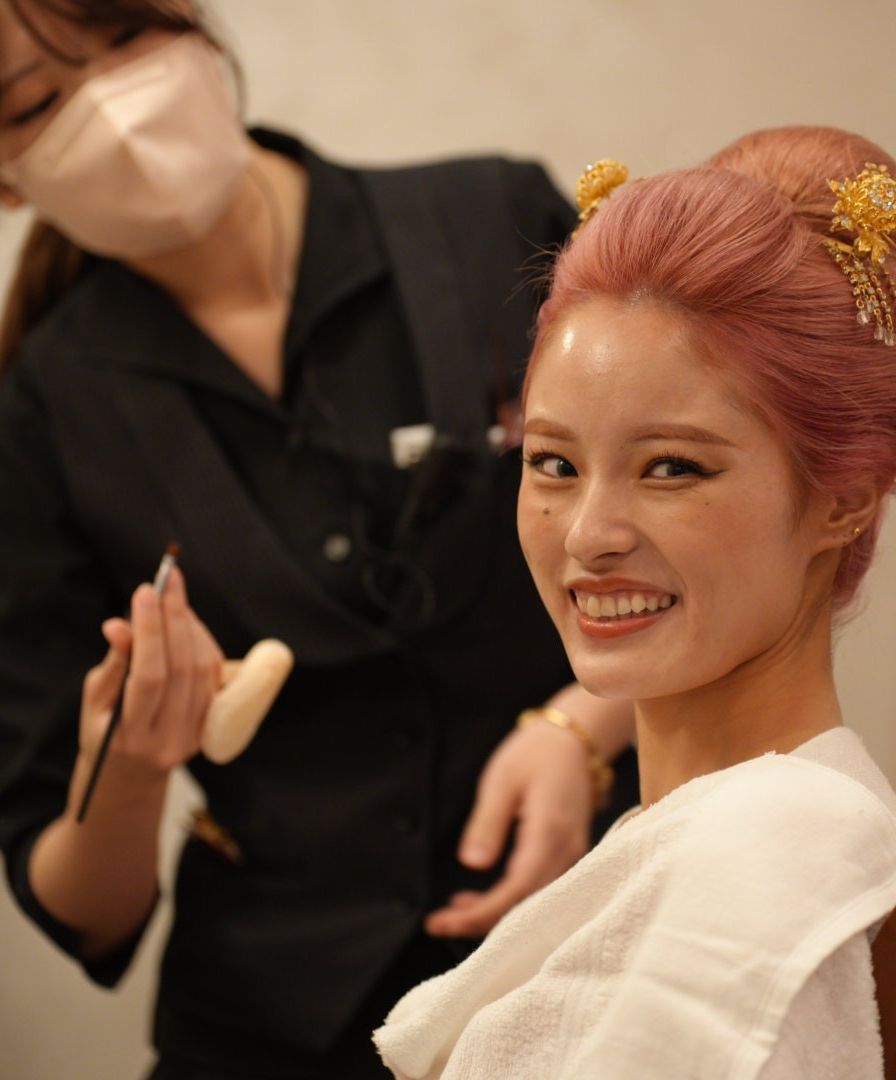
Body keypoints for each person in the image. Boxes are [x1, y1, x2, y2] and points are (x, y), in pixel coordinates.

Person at [0, 3, 637, 1078]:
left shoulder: (491, 223)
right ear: (7, 178)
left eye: (125, 40)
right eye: (34, 101)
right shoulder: (43, 414)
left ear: (194, 27)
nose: (113, 104)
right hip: (273, 1024)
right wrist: (133, 769)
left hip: (597, 948)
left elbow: (708, 526)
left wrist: (580, 730)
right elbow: (79, 909)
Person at [372, 125, 896, 1077]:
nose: (587, 535)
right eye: (553, 463)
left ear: (843, 499)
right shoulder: (730, 836)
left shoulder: (768, 859)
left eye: (672, 467)